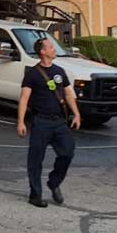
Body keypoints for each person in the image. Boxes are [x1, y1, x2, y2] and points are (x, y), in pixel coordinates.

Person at [17, 37, 81, 208]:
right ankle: (35, 195)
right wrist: (21, 122)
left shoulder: (59, 71)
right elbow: (24, 99)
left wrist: (76, 114)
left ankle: (53, 182)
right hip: (40, 122)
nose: (54, 49)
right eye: (51, 47)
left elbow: (68, 94)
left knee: (67, 153)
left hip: (59, 122)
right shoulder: (32, 74)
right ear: (42, 51)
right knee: (35, 160)